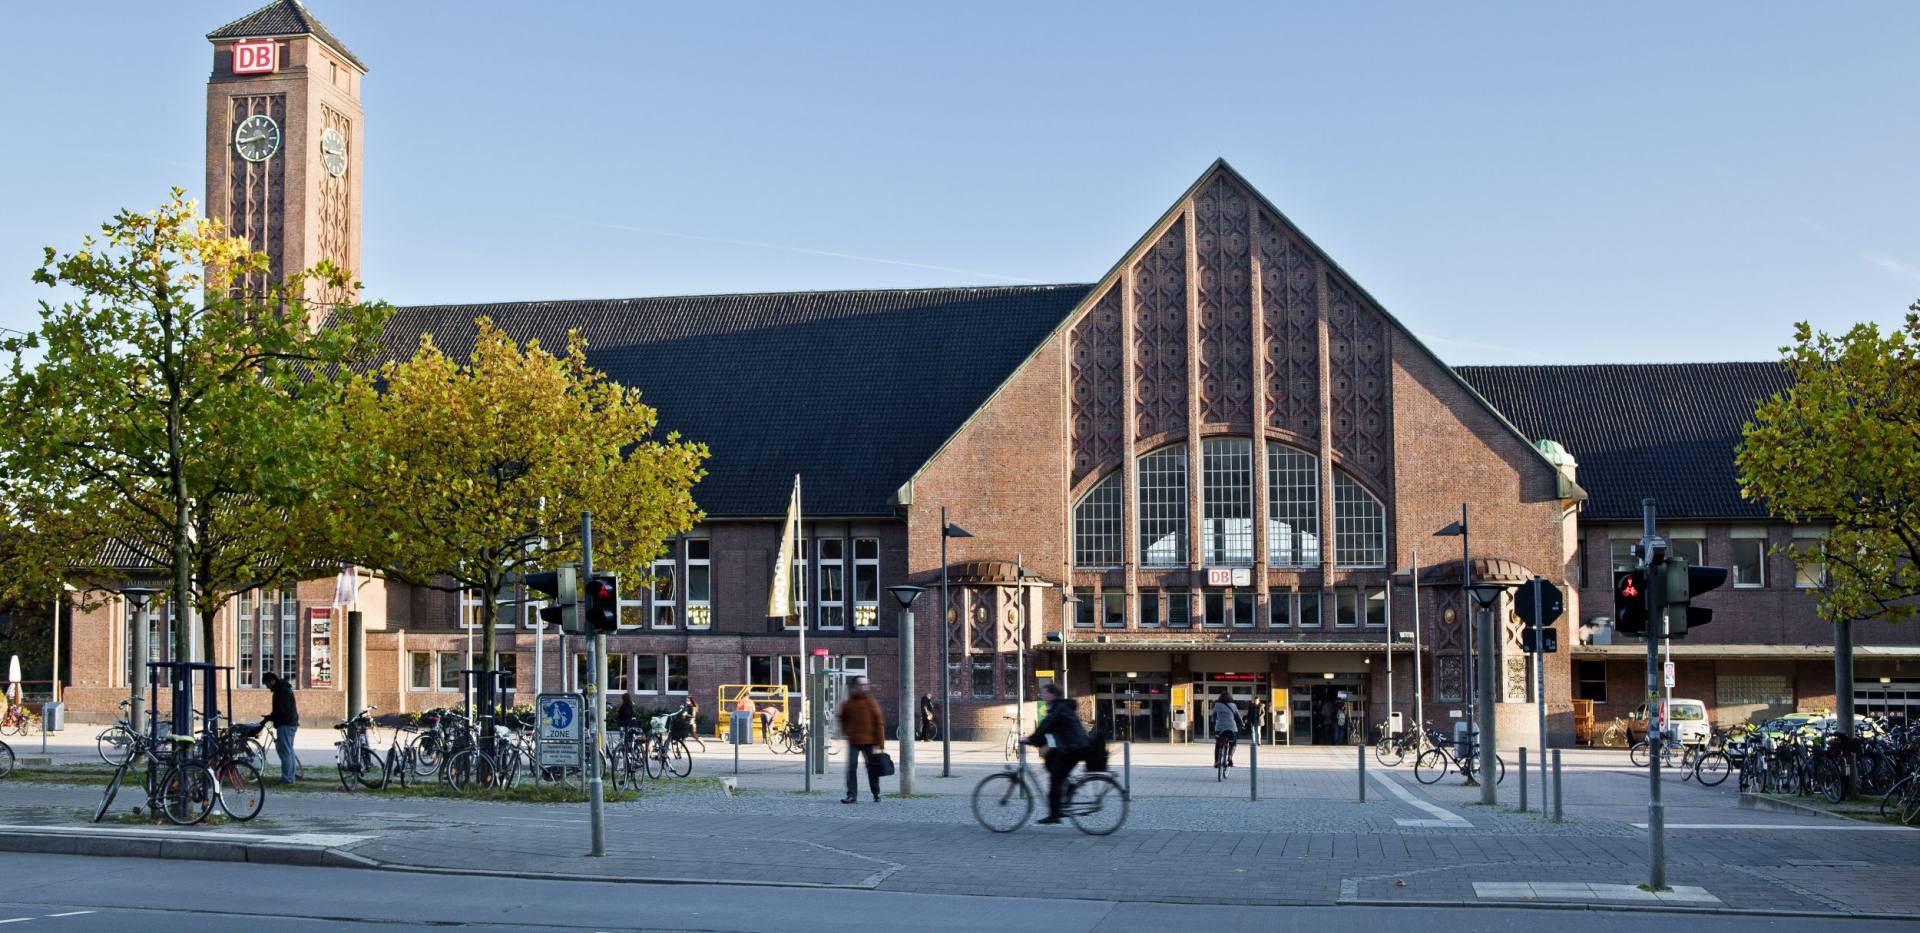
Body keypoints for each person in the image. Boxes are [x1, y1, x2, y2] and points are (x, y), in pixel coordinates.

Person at [1023, 683, 1088, 824]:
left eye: (1045, 693)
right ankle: (1069, 786)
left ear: (1053, 694)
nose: (1043, 696)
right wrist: (1036, 741)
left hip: (1073, 748)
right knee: (1050, 760)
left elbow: (1046, 725)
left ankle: (1054, 815)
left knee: (1055, 780)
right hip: (1069, 746)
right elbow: (1048, 729)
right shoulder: (1057, 707)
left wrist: (1030, 739)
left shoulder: (1058, 708)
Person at [836, 676, 886, 804]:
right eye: (861, 685)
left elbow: (879, 722)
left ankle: (876, 793)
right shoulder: (849, 703)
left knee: (872, 768)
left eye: (866, 685)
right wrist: (846, 731)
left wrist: (880, 743)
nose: (864, 687)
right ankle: (852, 795)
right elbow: (841, 717)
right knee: (851, 767)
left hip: (869, 741)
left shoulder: (871, 702)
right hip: (854, 741)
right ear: (854, 687)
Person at [261, 671, 300, 783]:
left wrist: (270, 717)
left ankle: (287, 778)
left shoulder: (281, 691)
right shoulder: (284, 688)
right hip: (291, 722)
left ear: (272, 681)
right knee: (289, 751)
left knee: (285, 751)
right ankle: (290, 777)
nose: (267, 687)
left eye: (267, 684)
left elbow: (281, 709)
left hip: (285, 724)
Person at [1210, 691, 1241, 768]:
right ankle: (1230, 757)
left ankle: (1217, 761)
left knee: (1218, 744)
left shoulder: (1217, 705)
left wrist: (1213, 722)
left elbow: (1213, 716)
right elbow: (1238, 717)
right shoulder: (1233, 705)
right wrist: (1242, 724)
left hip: (1219, 728)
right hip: (1231, 727)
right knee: (1233, 743)